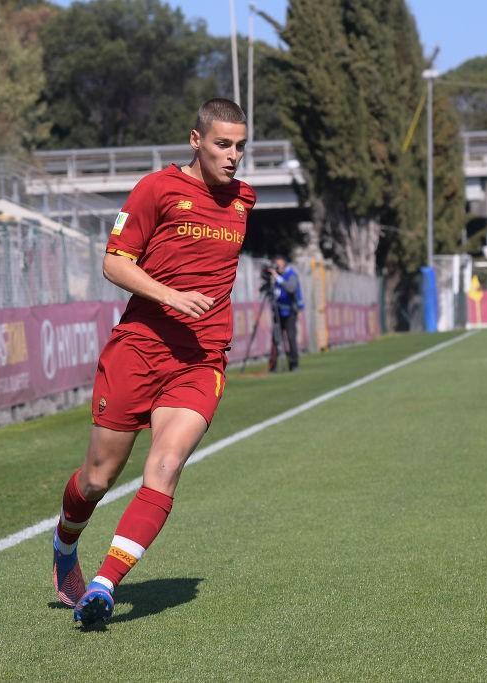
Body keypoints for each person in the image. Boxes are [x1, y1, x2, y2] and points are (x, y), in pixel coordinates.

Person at [50, 98, 255, 628]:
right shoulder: (155, 189)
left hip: (201, 357)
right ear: (196, 140)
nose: (233, 157)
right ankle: (66, 544)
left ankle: (103, 586)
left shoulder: (244, 200)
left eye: (240, 146)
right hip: (140, 348)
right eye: (222, 144)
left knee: (164, 467)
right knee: (98, 477)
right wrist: (169, 296)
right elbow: (114, 262)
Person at [269, 255, 304, 372]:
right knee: (276, 338)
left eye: (279, 265)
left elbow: (291, 288)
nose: (277, 267)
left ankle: (294, 364)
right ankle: (272, 365)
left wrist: (278, 278)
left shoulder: (291, 275)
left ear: (284, 264)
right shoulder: (277, 277)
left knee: (291, 338)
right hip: (278, 311)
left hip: (289, 312)